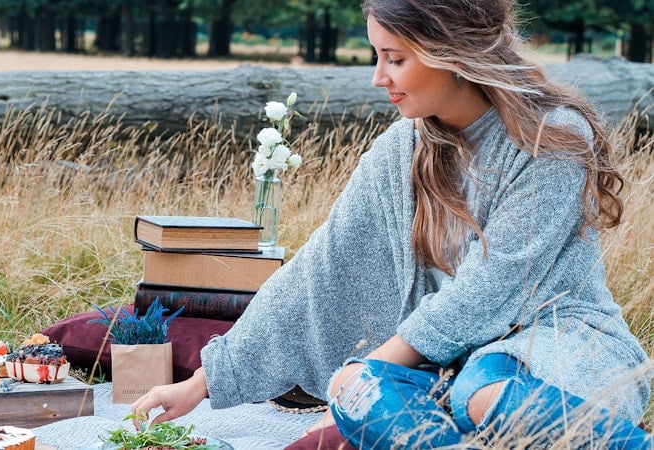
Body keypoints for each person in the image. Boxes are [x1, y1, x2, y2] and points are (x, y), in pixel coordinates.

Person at [133, 0, 653, 447]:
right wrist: (203, 382)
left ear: (452, 54)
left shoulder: (551, 139)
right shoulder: (400, 150)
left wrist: (376, 363)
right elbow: (319, 268)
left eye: (394, 59)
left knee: (479, 391)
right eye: (377, 56)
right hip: (445, 365)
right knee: (350, 391)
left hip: (553, 349)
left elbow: (491, 288)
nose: (378, 78)